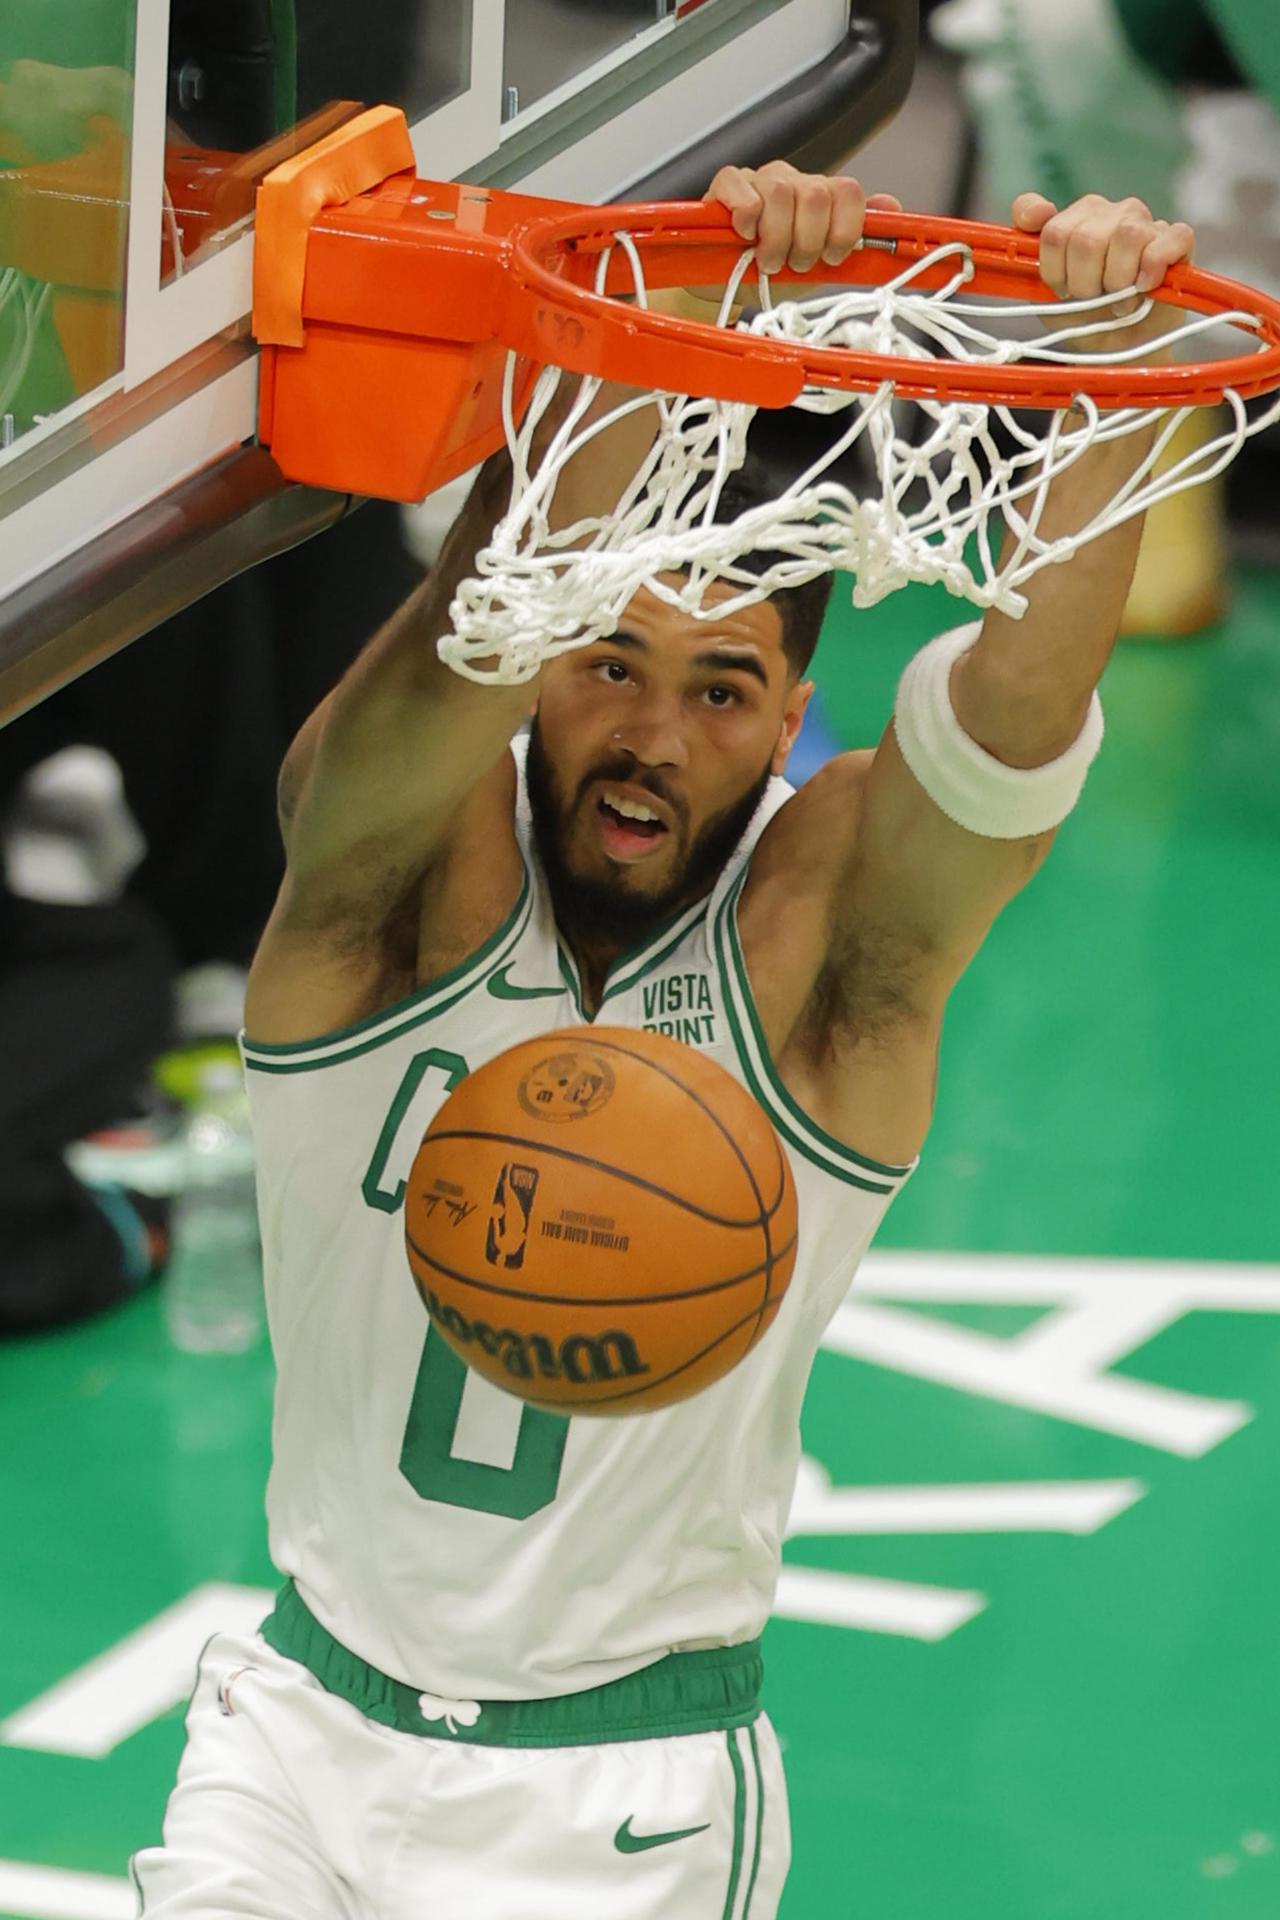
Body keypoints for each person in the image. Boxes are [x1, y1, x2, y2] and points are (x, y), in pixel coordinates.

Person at [131, 161, 1196, 1917]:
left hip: (611, 1794)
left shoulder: (829, 958)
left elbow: (1009, 729)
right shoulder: (386, 892)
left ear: (789, 720)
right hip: (297, 1727)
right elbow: (480, 621)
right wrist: (663, 325)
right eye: (610, 667)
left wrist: (1112, 352)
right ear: (546, 672)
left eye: (718, 691)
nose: (652, 731)